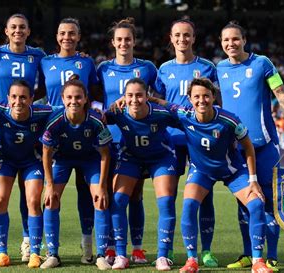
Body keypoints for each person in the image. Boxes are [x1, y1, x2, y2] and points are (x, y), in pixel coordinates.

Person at [151, 78, 273, 273]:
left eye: (206, 96)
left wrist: (253, 180)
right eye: (196, 96)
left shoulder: (229, 120)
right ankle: (192, 260)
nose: (202, 100)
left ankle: (258, 261)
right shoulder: (185, 114)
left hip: (232, 171)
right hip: (202, 171)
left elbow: (248, 147)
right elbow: (167, 104)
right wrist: (149, 99)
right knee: (189, 204)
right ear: (189, 99)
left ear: (213, 97)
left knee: (257, 204)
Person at [216, 21, 284, 271]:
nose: (231, 44)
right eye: (226, 40)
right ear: (222, 43)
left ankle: (271, 255)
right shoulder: (219, 68)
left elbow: (282, 94)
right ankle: (249, 254)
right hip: (235, 148)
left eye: (235, 39)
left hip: (263, 146)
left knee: (267, 201)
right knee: (244, 202)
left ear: (244, 40)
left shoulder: (262, 63)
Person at [154, 18, 219, 267]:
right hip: (171, 139)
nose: (182, 39)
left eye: (187, 35)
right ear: (171, 39)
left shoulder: (207, 68)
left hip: (199, 140)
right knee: (167, 196)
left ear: (194, 38)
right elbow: (158, 101)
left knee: (205, 195)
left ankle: (206, 251)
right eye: (177, 35)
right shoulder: (163, 69)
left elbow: (216, 103)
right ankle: (166, 250)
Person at [0, 13, 46, 262]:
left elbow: (51, 78)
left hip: (28, 126)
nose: (18, 30)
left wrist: (30, 98)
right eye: (13, 27)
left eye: (22, 27)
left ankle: (29, 243)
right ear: (6, 31)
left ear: (28, 31)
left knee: (29, 195)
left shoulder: (39, 55)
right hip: (1, 125)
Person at [97, 17, 157, 265]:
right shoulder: (102, 69)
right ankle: (111, 247)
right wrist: (105, 109)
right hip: (110, 140)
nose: (123, 43)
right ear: (113, 42)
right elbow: (94, 100)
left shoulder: (147, 68)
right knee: (112, 194)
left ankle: (138, 248)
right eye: (119, 39)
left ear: (134, 41)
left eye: (128, 39)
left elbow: (156, 98)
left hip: (137, 140)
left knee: (136, 195)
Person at [39, 17, 99, 264]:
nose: (67, 37)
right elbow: (35, 92)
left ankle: (88, 249)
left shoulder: (87, 62)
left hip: (84, 137)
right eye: (63, 33)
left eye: (72, 33)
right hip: (56, 137)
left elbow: (95, 94)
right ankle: (51, 251)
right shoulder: (44, 61)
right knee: (50, 195)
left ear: (79, 36)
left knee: (88, 196)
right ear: (56, 36)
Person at [39, 76, 113, 270]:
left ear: (86, 98)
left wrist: (103, 186)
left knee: (100, 199)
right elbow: (46, 154)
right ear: (62, 99)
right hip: (63, 160)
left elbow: (105, 154)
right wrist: (48, 185)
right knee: (51, 199)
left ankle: (100, 254)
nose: (74, 101)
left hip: (90, 160)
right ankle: (53, 253)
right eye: (69, 97)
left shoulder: (96, 121)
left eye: (78, 97)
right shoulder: (54, 121)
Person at [105, 78, 179, 271]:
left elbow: (186, 117)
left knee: (165, 201)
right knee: (118, 200)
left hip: (161, 158)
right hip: (130, 157)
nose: (135, 100)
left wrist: (163, 102)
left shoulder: (161, 114)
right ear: (124, 97)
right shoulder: (118, 112)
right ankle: (121, 254)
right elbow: (97, 118)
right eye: (130, 95)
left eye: (139, 95)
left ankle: (163, 256)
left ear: (147, 96)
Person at [0, 80, 53, 267]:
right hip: (5, 160)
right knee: (0, 200)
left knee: (33, 201)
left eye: (23, 97)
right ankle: (2, 253)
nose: (18, 101)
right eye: (14, 97)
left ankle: (35, 253)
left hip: (31, 161)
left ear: (31, 99)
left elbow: (67, 110)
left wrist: (94, 111)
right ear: (8, 98)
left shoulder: (43, 112)